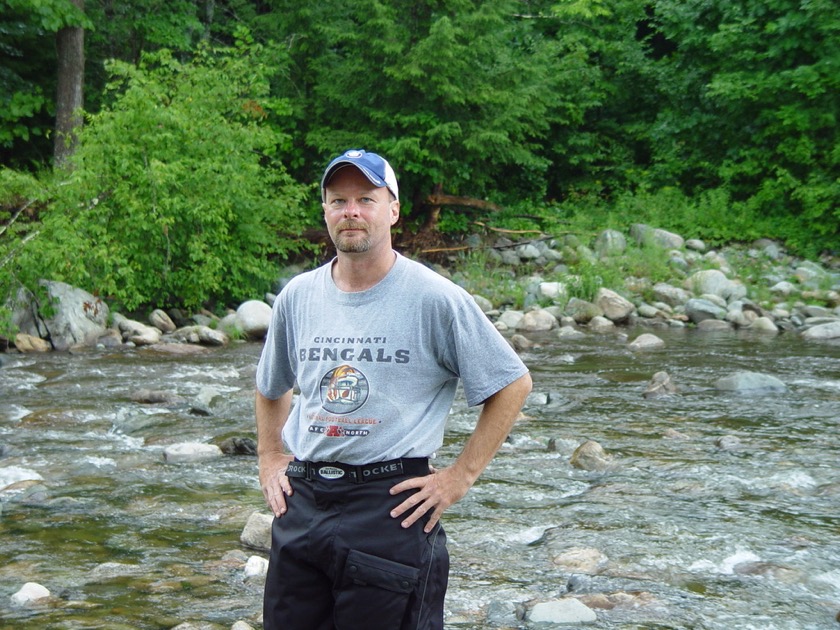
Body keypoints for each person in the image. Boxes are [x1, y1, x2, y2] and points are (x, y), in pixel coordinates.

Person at [255, 148, 532, 630]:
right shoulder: (298, 297)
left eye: (366, 198)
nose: (352, 212)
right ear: (325, 211)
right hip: (303, 503)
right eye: (338, 201)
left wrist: (459, 477)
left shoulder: (434, 298)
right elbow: (271, 386)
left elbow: (512, 383)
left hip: (392, 508)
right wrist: (268, 457)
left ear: (394, 209)